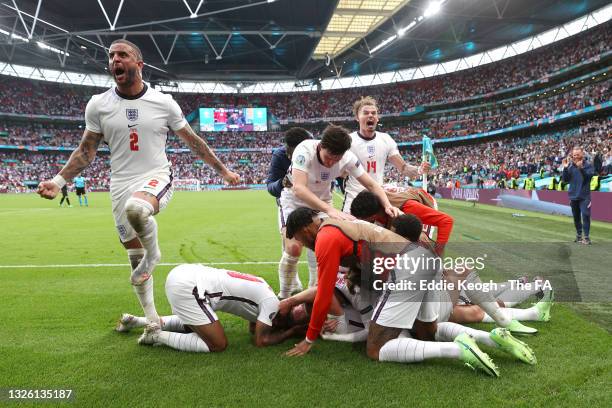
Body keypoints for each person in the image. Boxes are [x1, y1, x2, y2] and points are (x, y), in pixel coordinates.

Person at [37, 39, 240, 330]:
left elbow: (194, 142)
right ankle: (153, 320)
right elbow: (86, 151)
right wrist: (58, 181)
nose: (115, 60)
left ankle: (154, 253)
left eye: (123, 55)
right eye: (111, 56)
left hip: (155, 175)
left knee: (137, 210)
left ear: (139, 64)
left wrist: (223, 171)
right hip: (119, 183)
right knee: (134, 256)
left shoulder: (163, 102)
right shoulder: (98, 105)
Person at [276, 125, 401, 298]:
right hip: (294, 201)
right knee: (294, 248)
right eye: (328, 157)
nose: (331, 163)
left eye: (336, 159)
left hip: (322, 201)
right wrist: (330, 210)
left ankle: (314, 289)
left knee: (323, 244)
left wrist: (387, 204)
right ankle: (283, 296)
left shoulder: (347, 157)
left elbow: (371, 184)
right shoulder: (304, 150)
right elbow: (299, 188)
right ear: (320, 146)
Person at [125, 264, 303, 352]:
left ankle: (139, 321)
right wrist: (292, 332)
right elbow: (260, 341)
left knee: (194, 326)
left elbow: (252, 328)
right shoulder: (271, 305)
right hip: (189, 287)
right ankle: (156, 334)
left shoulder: (266, 289)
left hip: (185, 273)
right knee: (217, 344)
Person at [341, 96, 429, 213]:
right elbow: (339, 171)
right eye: (366, 113)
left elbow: (403, 168)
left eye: (374, 113)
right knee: (350, 230)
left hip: (378, 198)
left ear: (377, 118)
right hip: (354, 198)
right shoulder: (348, 140)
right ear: (357, 117)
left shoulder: (386, 139)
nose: (370, 115)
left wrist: (419, 169)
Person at [265, 128, 317, 291]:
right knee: (292, 247)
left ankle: (314, 287)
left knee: (317, 245)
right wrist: (281, 183)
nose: (289, 156)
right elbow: (270, 187)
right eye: (287, 151)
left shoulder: (318, 153)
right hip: (290, 204)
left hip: (315, 202)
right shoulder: (280, 155)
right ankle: (289, 289)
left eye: (292, 153)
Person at [350, 189, 454, 254]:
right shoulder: (372, 201)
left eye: (361, 219)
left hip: (422, 202)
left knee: (419, 245)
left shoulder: (409, 209)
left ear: (373, 216)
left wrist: (438, 252)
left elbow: (446, 221)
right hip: (397, 205)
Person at [561, 146, 594, 244]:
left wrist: (581, 169)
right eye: (574, 155)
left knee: (586, 215)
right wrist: (565, 168)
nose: (576, 156)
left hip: (584, 196)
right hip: (573, 196)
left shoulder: (588, 165)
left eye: (578, 154)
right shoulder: (570, 166)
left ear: (582, 154)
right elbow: (565, 180)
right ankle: (579, 236)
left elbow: (588, 177)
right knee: (576, 217)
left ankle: (586, 238)